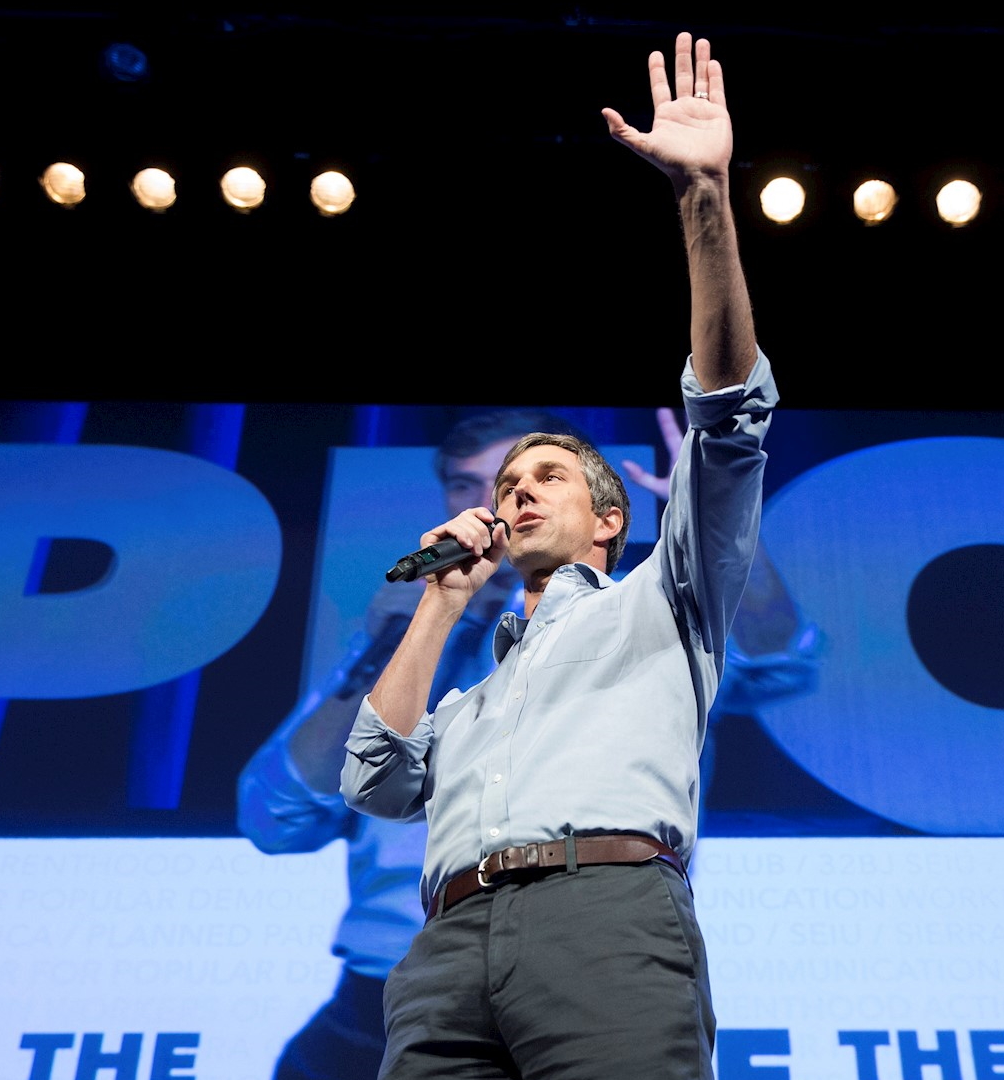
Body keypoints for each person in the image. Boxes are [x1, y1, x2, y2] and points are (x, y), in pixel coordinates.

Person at [341, 32, 772, 1079]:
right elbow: (376, 780)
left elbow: (728, 421)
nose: (518, 491)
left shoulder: (664, 600)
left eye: (548, 477)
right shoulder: (472, 703)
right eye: (504, 487)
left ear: (611, 519)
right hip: (444, 949)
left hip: (605, 916)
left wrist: (703, 201)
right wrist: (444, 601)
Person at [238, 409, 584, 1080]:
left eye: (521, 478)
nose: (491, 504)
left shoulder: (636, 618)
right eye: (466, 484)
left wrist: (718, 514)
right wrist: (380, 656)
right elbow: (276, 818)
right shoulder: (406, 625)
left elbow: (773, 660)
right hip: (384, 990)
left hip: (561, 991)